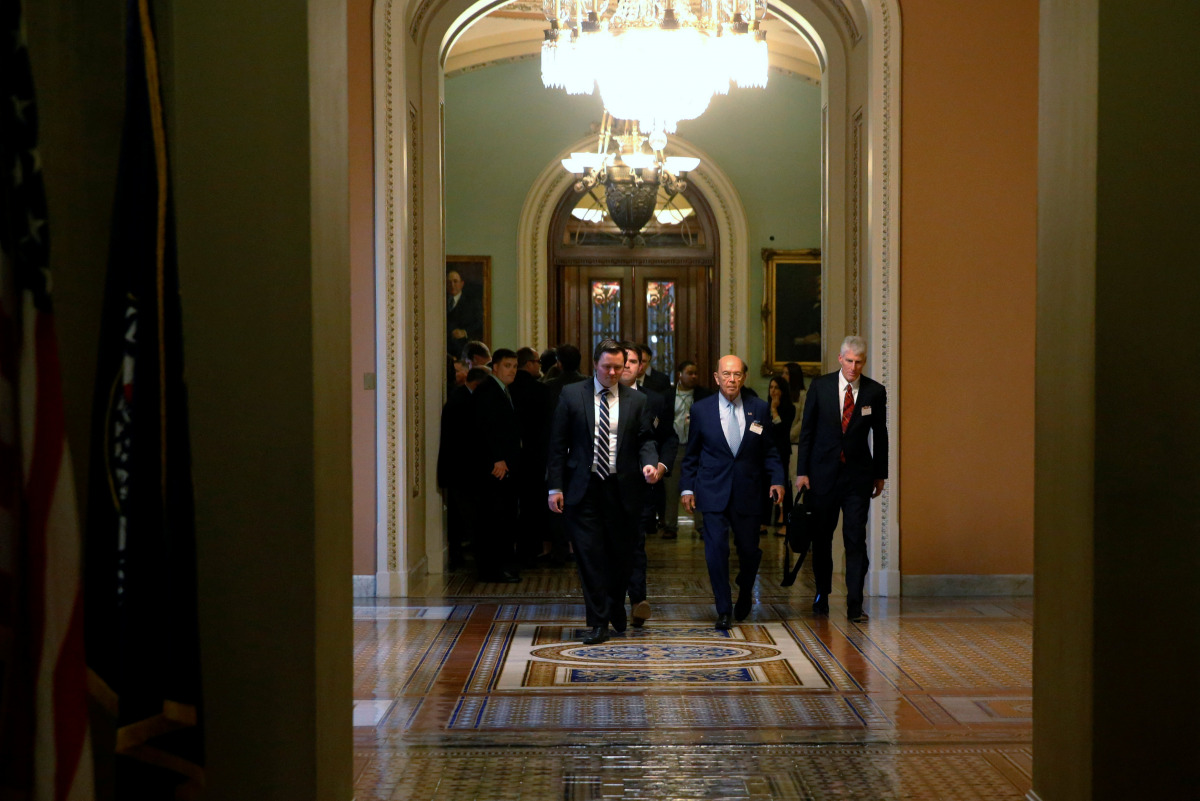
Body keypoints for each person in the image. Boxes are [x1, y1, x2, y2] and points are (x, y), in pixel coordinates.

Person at [547, 340, 660, 645]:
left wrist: (650, 464)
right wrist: (555, 486)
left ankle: (615, 604)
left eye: (618, 367)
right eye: (607, 367)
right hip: (583, 489)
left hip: (622, 489)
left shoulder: (636, 400)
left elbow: (646, 439)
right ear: (595, 364)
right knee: (590, 557)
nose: (612, 373)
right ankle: (598, 621)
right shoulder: (572, 395)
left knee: (621, 557)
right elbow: (557, 444)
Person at [680, 355, 785, 629]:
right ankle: (724, 608)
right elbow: (692, 454)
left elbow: (770, 451)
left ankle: (746, 588)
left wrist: (777, 480)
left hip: (748, 490)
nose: (731, 379)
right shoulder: (701, 410)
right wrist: (687, 488)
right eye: (726, 374)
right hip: (712, 490)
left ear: (744, 378)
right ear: (717, 378)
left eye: (737, 374)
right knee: (715, 551)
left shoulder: (759, 408)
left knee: (749, 551)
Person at [795, 336, 889, 623]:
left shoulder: (874, 391)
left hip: (857, 478)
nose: (853, 367)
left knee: (855, 539)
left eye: (858, 362)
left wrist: (880, 474)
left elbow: (881, 435)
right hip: (822, 476)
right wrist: (802, 472)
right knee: (822, 538)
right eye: (849, 361)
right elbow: (807, 431)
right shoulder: (820, 387)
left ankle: (854, 603)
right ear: (840, 359)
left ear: (864, 362)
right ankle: (822, 594)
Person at [618, 342, 676, 628]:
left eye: (633, 361)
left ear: (641, 366)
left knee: (636, 545)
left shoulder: (654, 399)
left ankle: (638, 601)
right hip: (605, 485)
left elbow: (668, 437)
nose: (627, 366)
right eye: (623, 361)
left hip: (640, 486)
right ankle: (613, 602)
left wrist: (662, 466)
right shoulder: (597, 396)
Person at [470, 348, 522, 583]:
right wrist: (496, 458)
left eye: (515, 366)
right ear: (496, 367)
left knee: (504, 516)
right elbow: (483, 428)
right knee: (495, 518)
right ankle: (493, 569)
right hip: (495, 468)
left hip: (504, 465)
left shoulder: (502, 390)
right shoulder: (488, 390)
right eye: (508, 366)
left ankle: (502, 566)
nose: (512, 371)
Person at [437, 366, 489, 570]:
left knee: (460, 516)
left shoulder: (458, 398)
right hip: (461, 469)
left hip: (457, 468)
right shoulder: (463, 402)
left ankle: (459, 554)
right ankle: (464, 554)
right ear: (477, 384)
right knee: (465, 515)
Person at [510, 347, 554, 563]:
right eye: (537, 362)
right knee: (534, 504)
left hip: (511, 456)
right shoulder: (541, 391)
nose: (540, 366)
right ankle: (532, 549)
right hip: (536, 456)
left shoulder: (508, 389)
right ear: (529, 364)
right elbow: (548, 427)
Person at [661, 360, 711, 539]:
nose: (694, 376)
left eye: (696, 373)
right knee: (671, 489)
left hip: (697, 447)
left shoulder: (704, 395)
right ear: (679, 375)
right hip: (675, 447)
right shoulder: (667, 396)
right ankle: (670, 526)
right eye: (690, 373)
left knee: (698, 487)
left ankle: (701, 525)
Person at [762, 374, 796, 535]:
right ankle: (764, 521)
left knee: (783, 486)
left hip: (782, 451)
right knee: (764, 487)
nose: (773, 391)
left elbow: (783, 430)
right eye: (771, 387)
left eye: (776, 388)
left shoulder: (789, 408)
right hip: (765, 451)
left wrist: (774, 411)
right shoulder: (763, 407)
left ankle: (786, 524)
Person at [446, 269, 484, 357]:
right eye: (449, 282)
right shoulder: (439, 301)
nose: (452, 285)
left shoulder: (472, 302)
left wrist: (465, 332)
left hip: (464, 350)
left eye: (455, 281)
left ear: (462, 284)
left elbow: (479, 323)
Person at [783, 362, 807, 483]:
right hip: (782, 444)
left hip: (794, 443)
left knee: (794, 477)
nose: (783, 376)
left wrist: (789, 436)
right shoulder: (783, 394)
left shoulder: (803, 395)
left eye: (786, 373)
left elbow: (803, 421)